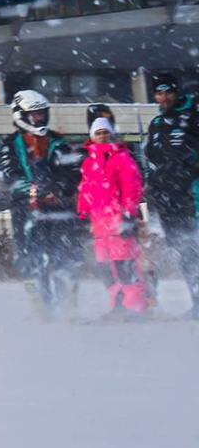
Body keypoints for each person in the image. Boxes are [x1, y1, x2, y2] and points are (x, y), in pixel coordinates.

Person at [0, 89, 85, 318]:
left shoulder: (58, 141)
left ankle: (69, 307)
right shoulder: (10, 145)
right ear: (21, 115)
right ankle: (43, 308)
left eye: (42, 114)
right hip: (27, 213)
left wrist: (57, 188)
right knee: (33, 260)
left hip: (59, 210)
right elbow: (11, 177)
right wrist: (36, 190)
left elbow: (73, 171)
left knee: (65, 257)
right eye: (34, 114)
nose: (39, 119)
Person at [77, 114, 149, 314]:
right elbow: (85, 189)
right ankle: (117, 303)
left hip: (118, 220)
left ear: (111, 134)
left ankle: (134, 305)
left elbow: (132, 187)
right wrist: (83, 212)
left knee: (125, 264)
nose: (101, 136)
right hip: (100, 224)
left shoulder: (121, 158)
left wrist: (129, 213)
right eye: (98, 133)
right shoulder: (88, 162)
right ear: (92, 136)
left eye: (105, 132)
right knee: (106, 268)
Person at [142, 72, 199, 316]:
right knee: (182, 248)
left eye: (169, 92)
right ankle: (196, 299)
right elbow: (151, 157)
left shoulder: (193, 116)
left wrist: (188, 170)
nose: (164, 97)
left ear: (177, 93)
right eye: (160, 93)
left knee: (195, 243)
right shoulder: (156, 124)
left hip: (191, 192)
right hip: (167, 197)